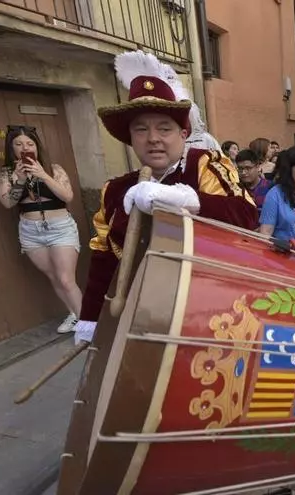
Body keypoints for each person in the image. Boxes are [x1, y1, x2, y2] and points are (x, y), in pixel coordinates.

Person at [73, 50, 257, 345]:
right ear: (130, 138)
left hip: (210, 310)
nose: (153, 138)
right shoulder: (114, 190)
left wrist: (180, 198)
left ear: (183, 134)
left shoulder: (205, 164)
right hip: (142, 316)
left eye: (164, 128)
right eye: (141, 129)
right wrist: (90, 320)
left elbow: (246, 215)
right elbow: (103, 258)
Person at [0, 125, 83, 334]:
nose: (24, 148)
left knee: (66, 278)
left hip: (60, 227)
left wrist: (43, 175)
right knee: (53, 276)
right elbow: (7, 203)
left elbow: (67, 196)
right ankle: (74, 314)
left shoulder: (54, 169)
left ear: (36, 147)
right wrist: (19, 181)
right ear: (12, 149)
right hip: (30, 230)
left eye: (29, 143)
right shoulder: (6, 173)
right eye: (18, 144)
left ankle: (88, 325)